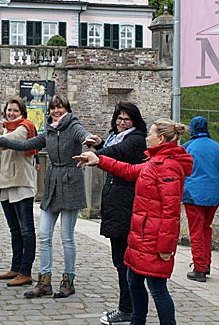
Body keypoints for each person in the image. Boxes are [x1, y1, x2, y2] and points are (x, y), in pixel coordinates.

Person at [75, 118, 193, 325]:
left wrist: (165, 247)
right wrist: (99, 160)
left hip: (154, 241)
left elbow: (171, 211)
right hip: (141, 236)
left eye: (152, 133)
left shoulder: (168, 167)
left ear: (162, 138)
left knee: (157, 288)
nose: (147, 137)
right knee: (134, 281)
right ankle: (137, 321)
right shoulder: (154, 162)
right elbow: (129, 171)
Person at [0, 95, 97, 299]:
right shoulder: (49, 130)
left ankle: (68, 282)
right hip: (52, 185)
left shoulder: (73, 125)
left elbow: (82, 134)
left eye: (60, 108)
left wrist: (91, 140)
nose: (56, 111)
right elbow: (26, 144)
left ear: (67, 109)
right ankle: (44, 282)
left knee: (67, 237)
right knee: (44, 235)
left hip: (70, 183)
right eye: (53, 108)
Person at [89, 103, 147, 325]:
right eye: (119, 119)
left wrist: (97, 155)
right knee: (121, 261)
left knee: (125, 262)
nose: (122, 123)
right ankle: (131, 308)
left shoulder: (136, 139)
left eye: (126, 119)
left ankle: (128, 308)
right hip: (118, 206)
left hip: (126, 207)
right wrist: (101, 144)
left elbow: (119, 153)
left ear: (135, 121)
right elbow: (116, 149)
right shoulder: (118, 137)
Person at [0, 96, 38, 287]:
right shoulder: (5, 131)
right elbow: (0, 144)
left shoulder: (25, 127)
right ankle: (16, 267)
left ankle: (26, 271)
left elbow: (14, 139)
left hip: (21, 183)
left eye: (15, 111)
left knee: (26, 230)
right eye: (9, 110)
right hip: (5, 184)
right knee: (15, 230)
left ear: (22, 113)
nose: (11, 113)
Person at [182, 116, 219, 282]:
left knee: (196, 231)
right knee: (206, 228)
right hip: (214, 195)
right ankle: (206, 263)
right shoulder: (216, 147)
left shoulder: (187, 147)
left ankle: (199, 268)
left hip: (193, 194)